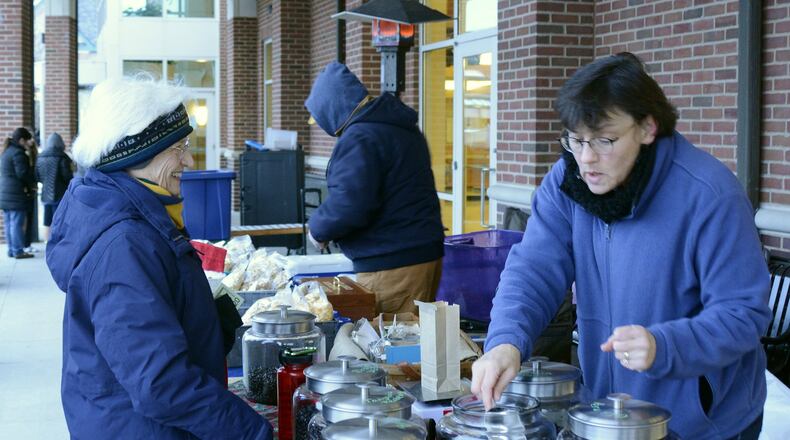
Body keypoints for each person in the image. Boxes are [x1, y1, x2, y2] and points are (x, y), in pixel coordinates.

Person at [471, 52, 770, 440]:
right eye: (576, 140)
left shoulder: (709, 195)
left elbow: (743, 313)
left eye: (605, 140)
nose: (587, 159)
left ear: (647, 128)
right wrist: (505, 342)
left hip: (703, 423)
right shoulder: (567, 182)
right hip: (609, 412)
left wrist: (666, 345)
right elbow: (534, 269)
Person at [45, 78, 272, 440]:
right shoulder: (125, 244)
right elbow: (160, 382)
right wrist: (252, 432)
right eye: (178, 148)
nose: (189, 160)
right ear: (138, 155)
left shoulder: (139, 215)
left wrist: (213, 319)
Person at [305, 61, 445, 314]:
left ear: (333, 108)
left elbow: (350, 202)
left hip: (392, 260)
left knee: (391, 342)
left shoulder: (360, 137)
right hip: (421, 251)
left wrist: (317, 230)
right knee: (417, 336)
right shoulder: (400, 128)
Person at [0, 128, 36, 259]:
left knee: (9, 223)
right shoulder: (19, 154)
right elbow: (23, 174)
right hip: (16, 194)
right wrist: (31, 182)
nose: (29, 143)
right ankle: (18, 251)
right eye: (28, 140)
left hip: (5, 193)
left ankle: (12, 250)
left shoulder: (6, 152)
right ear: (22, 140)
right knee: (17, 223)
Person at [35, 132, 73, 241]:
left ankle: (47, 242)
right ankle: (59, 242)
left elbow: (37, 177)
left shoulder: (40, 157)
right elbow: (67, 176)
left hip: (46, 195)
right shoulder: (62, 157)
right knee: (60, 219)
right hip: (60, 195)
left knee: (47, 221)